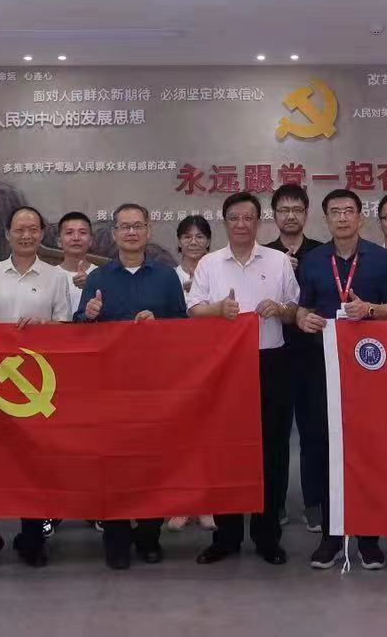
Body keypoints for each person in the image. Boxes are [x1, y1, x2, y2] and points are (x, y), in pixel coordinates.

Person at [294, 188, 387, 571]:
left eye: (348, 211)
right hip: (323, 370)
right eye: (335, 212)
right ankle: (332, 536)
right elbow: (302, 308)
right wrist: (303, 319)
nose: (342, 218)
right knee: (328, 451)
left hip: (369, 371)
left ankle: (369, 538)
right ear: (326, 218)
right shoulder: (313, 260)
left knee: (368, 450)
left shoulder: (380, 258)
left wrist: (369, 310)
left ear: (360, 217)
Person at [76, 203, 189, 569]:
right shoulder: (99, 277)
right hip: (110, 388)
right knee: (112, 465)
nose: (131, 232)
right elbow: (80, 328)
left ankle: (149, 537)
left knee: (152, 463)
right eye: (124, 226)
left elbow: (183, 326)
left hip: (155, 386)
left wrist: (159, 324)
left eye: (137, 226)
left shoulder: (166, 277)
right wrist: (88, 315)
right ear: (114, 233)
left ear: (148, 231)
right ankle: (116, 538)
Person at [188, 192, 298, 565]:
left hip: (271, 363)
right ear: (225, 222)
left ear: (258, 222)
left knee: (273, 450)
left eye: (248, 217)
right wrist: (218, 310)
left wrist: (280, 309)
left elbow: (294, 308)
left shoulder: (279, 261)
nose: (241, 224)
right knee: (225, 449)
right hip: (226, 367)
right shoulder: (209, 264)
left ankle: (268, 537)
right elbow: (194, 310)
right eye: (234, 218)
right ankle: (227, 536)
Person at [0, 205, 74, 571]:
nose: (26, 235)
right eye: (19, 229)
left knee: (35, 463)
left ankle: (32, 539)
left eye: (33, 229)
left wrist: (45, 326)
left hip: (39, 384)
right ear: (7, 233)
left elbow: (66, 328)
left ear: (42, 233)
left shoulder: (56, 277)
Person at [266, 183, 324, 531]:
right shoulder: (263, 254)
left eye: (296, 210)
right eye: (283, 210)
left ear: (306, 213)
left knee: (313, 431)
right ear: (273, 215)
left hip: (313, 353)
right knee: (275, 433)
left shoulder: (321, 253)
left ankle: (313, 502)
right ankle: (275, 504)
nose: (290, 216)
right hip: (274, 354)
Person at [167, 214, 216, 535]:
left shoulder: (217, 271)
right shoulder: (168, 277)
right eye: (187, 236)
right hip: (177, 366)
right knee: (179, 436)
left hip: (213, 364)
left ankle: (207, 502)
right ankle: (180, 502)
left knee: (208, 435)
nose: (194, 242)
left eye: (200, 236)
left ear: (209, 241)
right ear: (179, 241)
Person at [59, 210, 96, 297]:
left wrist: (91, 285)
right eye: (69, 233)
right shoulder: (48, 276)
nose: (76, 238)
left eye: (82, 232)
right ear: (59, 241)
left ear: (91, 241)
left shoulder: (103, 276)